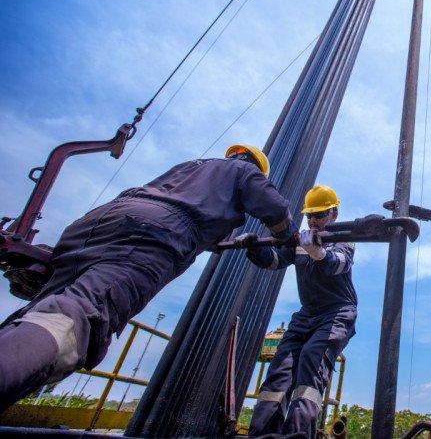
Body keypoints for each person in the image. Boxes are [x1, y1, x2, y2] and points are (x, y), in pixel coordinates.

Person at [0, 144, 295, 412]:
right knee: (78, 316)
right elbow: (276, 208)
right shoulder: (243, 170)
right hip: (149, 234)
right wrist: (286, 238)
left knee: (38, 312)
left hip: (94, 224)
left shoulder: (189, 166)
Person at [243, 185, 357, 438]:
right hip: (306, 314)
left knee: (311, 360)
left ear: (334, 214)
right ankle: (262, 434)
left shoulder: (343, 237)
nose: (314, 220)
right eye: (310, 215)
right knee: (280, 368)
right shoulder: (298, 242)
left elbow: (339, 264)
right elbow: (274, 261)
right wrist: (254, 248)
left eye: (320, 214)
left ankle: (297, 434)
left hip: (337, 313)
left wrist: (318, 252)